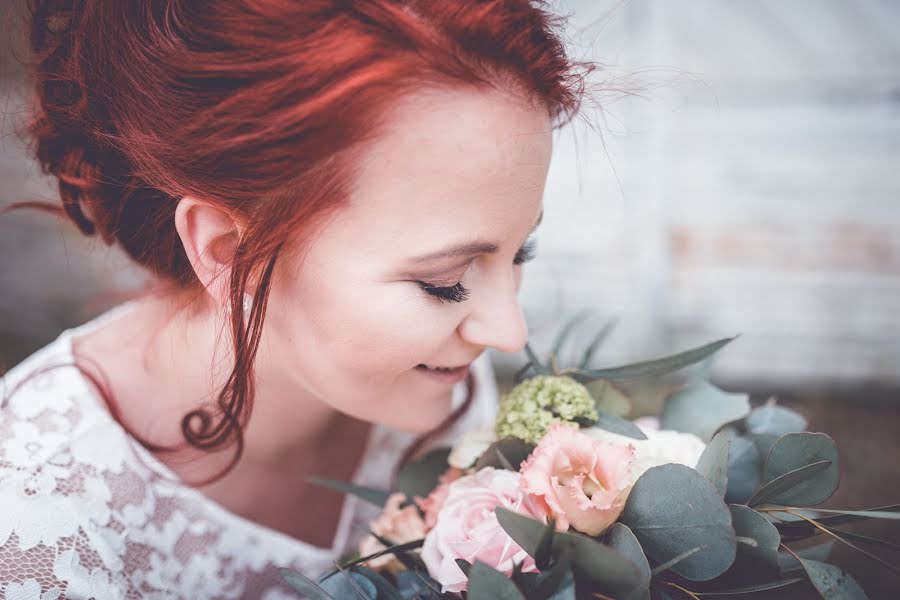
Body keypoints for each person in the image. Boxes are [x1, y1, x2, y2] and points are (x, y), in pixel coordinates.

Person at [0, 1, 590, 598]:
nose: (507, 332)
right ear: (230, 250)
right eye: (444, 282)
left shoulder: (438, 386)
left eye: (520, 253)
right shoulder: (42, 515)